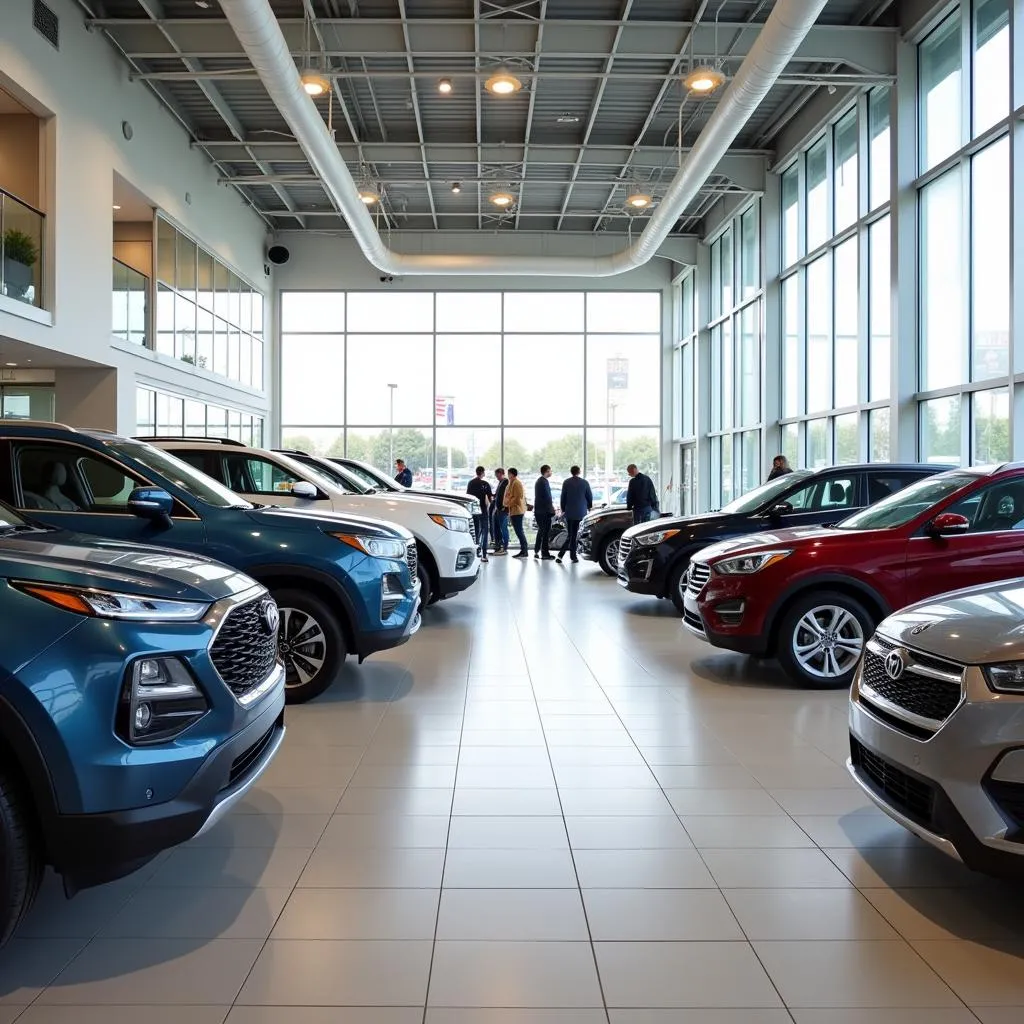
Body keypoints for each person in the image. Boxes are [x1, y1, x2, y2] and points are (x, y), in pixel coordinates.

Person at [557, 465, 593, 564]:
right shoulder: (585, 483)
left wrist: (563, 509)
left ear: (571, 472)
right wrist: (589, 507)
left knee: (571, 535)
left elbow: (563, 497)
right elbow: (589, 496)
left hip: (569, 512)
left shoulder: (566, 482)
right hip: (581, 513)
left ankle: (563, 555)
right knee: (574, 535)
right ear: (579, 472)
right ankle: (571, 556)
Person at [466, 465, 492, 564]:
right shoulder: (485, 484)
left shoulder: (471, 483)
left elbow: (468, 497)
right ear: (483, 473)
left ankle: (476, 552)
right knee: (485, 532)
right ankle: (484, 555)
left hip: (474, 511)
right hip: (483, 510)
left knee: (476, 532)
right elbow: (489, 498)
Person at [503, 467, 529, 558]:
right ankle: (523, 550)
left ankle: (524, 551)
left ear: (512, 474)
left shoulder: (516, 483)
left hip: (517, 511)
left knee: (519, 531)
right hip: (514, 510)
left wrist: (508, 502)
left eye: (508, 473)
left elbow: (518, 497)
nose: (508, 475)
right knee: (518, 531)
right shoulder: (512, 483)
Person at [533, 464, 556, 560]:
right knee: (545, 532)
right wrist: (552, 509)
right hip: (544, 512)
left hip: (540, 511)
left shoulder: (540, 481)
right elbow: (547, 498)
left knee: (541, 531)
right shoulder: (543, 482)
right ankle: (545, 554)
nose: (551, 472)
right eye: (550, 470)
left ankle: (537, 550)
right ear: (546, 471)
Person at [492, 468, 509, 555]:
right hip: (497, 509)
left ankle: (504, 548)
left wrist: (503, 507)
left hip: (502, 510)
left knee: (503, 528)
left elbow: (506, 496)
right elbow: (498, 495)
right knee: (496, 528)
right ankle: (498, 546)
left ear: (502, 474)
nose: (496, 477)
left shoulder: (506, 482)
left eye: (497, 475)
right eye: (496, 475)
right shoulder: (500, 482)